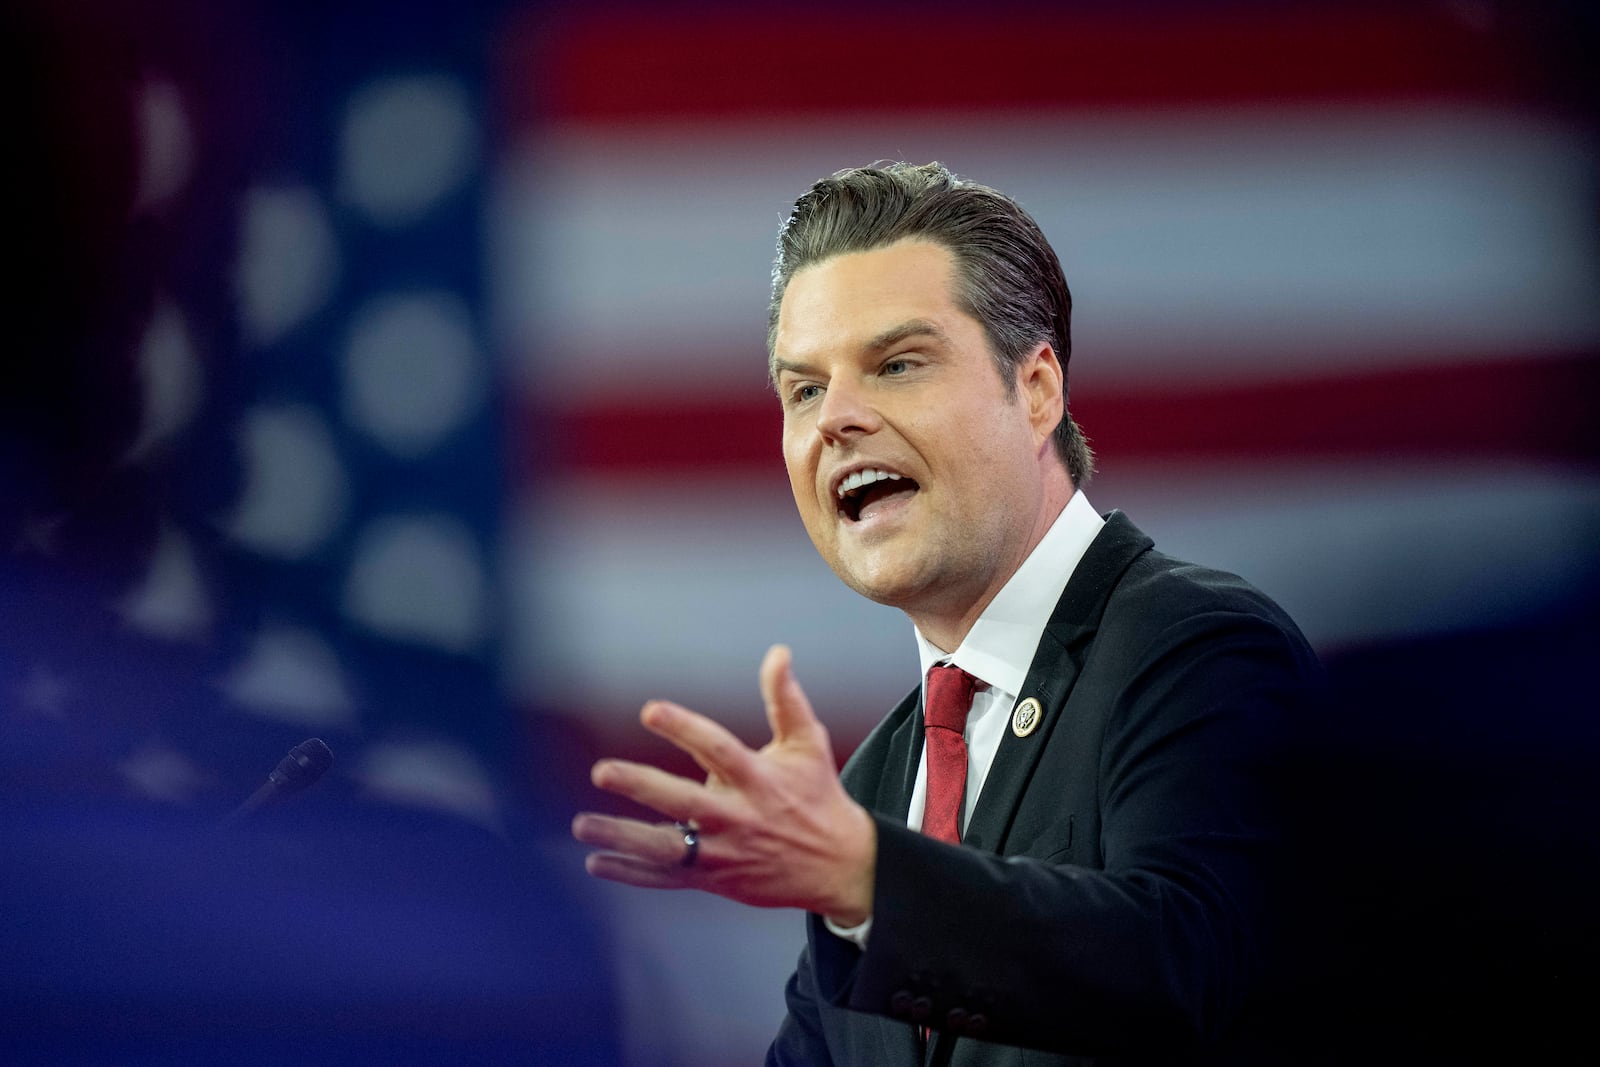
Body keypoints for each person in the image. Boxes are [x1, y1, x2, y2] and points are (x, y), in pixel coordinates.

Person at [572, 162, 1324, 1065]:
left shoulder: (1199, 651)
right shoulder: (874, 787)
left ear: (1038, 389)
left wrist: (866, 879)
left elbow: (1187, 966)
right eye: (804, 388)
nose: (837, 418)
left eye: (897, 364)